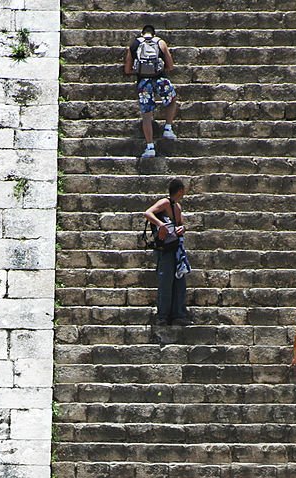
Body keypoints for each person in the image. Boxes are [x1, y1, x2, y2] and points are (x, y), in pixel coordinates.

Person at [124, 24, 177, 159]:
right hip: (160, 78)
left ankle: (150, 147)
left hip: (143, 82)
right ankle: (168, 128)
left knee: (146, 115)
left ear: (142, 33)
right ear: (153, 33)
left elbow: (127, 70)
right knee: (172, 99)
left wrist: (139, 70)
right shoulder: (161, 43)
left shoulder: (134, 44)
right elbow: (170, 66)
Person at [144, 179, 190, 326]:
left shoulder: (178, 207)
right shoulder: (164, 202)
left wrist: (182, 229)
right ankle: (162, 316)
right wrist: (161, 225)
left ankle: (178, 314)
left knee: (179, 282)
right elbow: (148, 213)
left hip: (176, 248)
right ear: (180, 190)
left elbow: (181, 225)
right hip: (165, 250)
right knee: (165, 282)